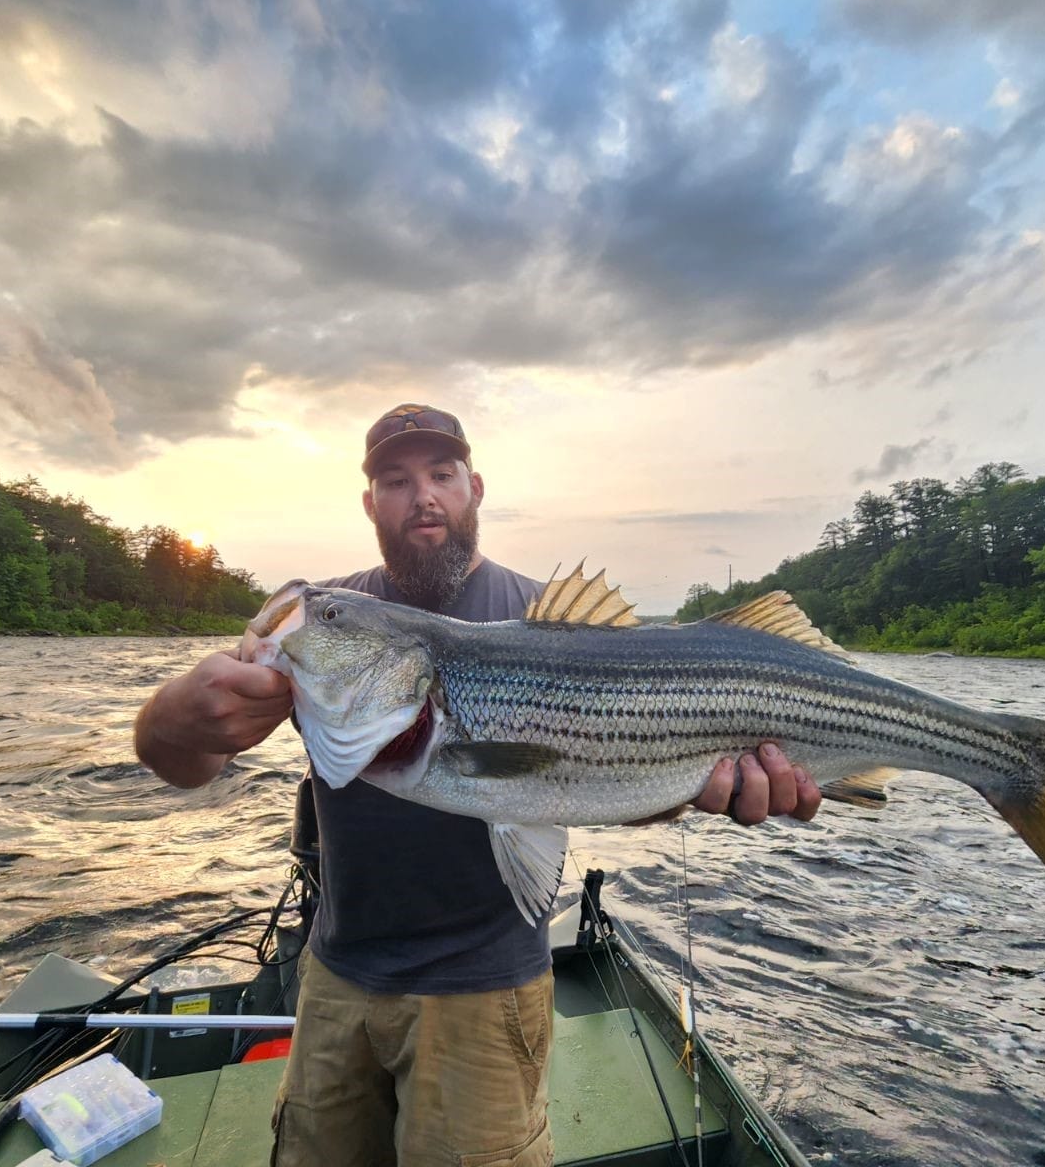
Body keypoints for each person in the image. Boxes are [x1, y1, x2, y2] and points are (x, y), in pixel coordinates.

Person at [134, 403, 822, 1167]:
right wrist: (177, 717)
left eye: (441, 474)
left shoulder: (550, 620)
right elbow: (183, 764)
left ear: (475, 487)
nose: (421, 495)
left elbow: (600, 786)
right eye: (395, 480)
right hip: (337, 977)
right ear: (370, 504)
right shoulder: (332, 632)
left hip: (487, 994)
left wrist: (703, 784)